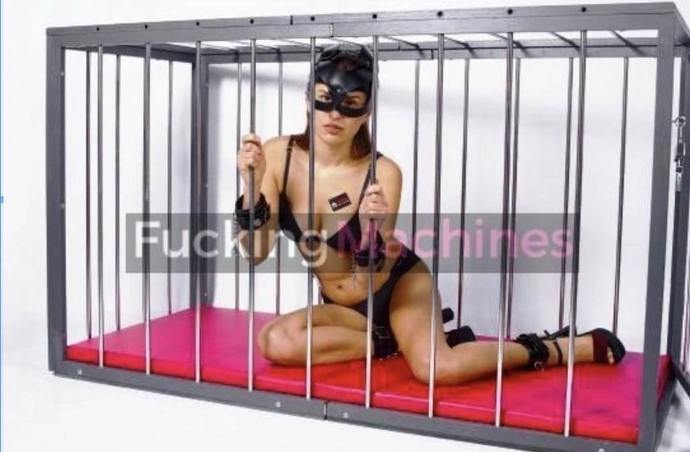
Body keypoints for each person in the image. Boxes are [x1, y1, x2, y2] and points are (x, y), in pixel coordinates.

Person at [232, 47, 625, 386]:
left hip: (397, 285)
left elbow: (369, 278)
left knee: (436, 368)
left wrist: (368, 230)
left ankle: (554, 348)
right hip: (347, 311)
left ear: (367, 112)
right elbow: (255, 253)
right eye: (324, 98)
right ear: (307, 100)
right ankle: (389, 341)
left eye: (350, 103)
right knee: (274, 341)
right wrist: (252, 188)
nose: (335, 113)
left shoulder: (382, 173)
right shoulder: (277, 156)